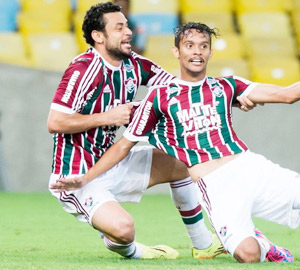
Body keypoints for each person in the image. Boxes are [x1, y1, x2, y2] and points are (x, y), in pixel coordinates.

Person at [51, 22, 300, 263]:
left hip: (250, 166)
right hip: (215, 186)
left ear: (211, 53)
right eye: (189, 45)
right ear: (177, 52)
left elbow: (287, 95)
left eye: (203, 45)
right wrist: (85, 178)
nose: (197, 51)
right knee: (248, 256)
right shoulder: (160, 98)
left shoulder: (227, 86)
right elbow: (122, 147)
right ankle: (262, 244)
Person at [46, 5, 255, 260]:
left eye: (127, 26)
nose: (129, 32)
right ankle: (128, 248)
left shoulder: (135, 64)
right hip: (76, 176)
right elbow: (55, 122)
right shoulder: (83, 70)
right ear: (98, 36)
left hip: (113, 161)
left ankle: (202, 243)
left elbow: (183, 88)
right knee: (123, 230)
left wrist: (231, 97)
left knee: (182, 160)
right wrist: (108, 117)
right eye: (119, 27)